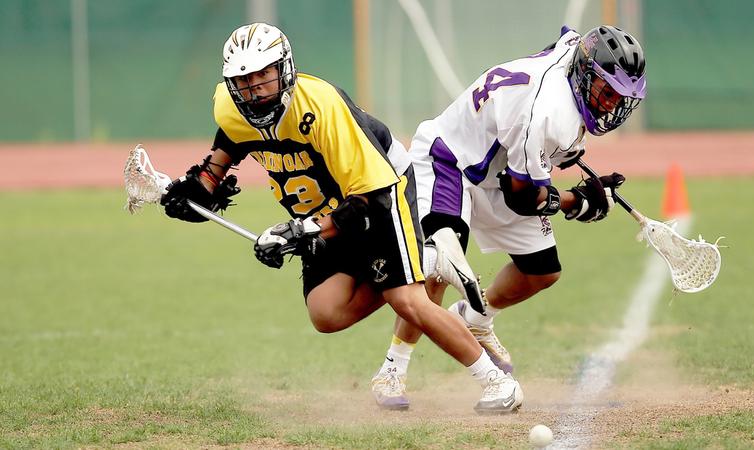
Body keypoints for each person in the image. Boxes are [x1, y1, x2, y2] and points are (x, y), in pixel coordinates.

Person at [158, 23, 523, 414]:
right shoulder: (231, 110)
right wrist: (201, 184)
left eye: (264, 74)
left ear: (284, 69)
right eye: (244, 80)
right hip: (323, 208)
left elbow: (369, 196)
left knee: (406, 299)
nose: (256, 88)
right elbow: (229, 143)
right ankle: (426, 260)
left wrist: (303, 230)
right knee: (326, 312)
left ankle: (497, 382)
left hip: (382, 189)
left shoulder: (320, 108)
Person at [369, 25, 645, 407]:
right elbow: (525, 197)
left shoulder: (573, 56)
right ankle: (392, 370)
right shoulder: (548, 113)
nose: (611, 105)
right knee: (438, 270)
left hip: (498, 169)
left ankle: (476, 318)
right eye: (607, 92)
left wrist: (571, 175)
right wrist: (578, 203)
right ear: (585, 74)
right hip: (451, 160)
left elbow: (564, 39)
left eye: (619, 97)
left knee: (542, 271)